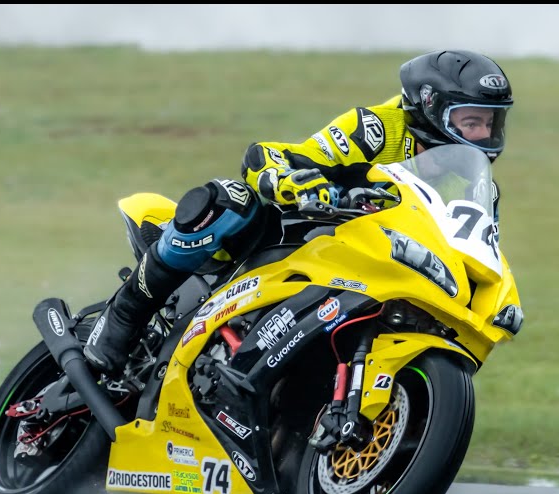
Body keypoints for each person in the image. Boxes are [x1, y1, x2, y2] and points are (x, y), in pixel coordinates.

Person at [82, 49, 514, 374]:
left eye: (491, 123)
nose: (484, 135)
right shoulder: (377, 129)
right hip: (297, 235)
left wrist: (498, 300)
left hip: (370, 265)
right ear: (431, 109)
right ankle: (127, 311)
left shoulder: (477, 187)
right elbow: (269, 155)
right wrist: (291, 181)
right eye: (471, 122)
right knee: (229, 200)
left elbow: (472, 246)